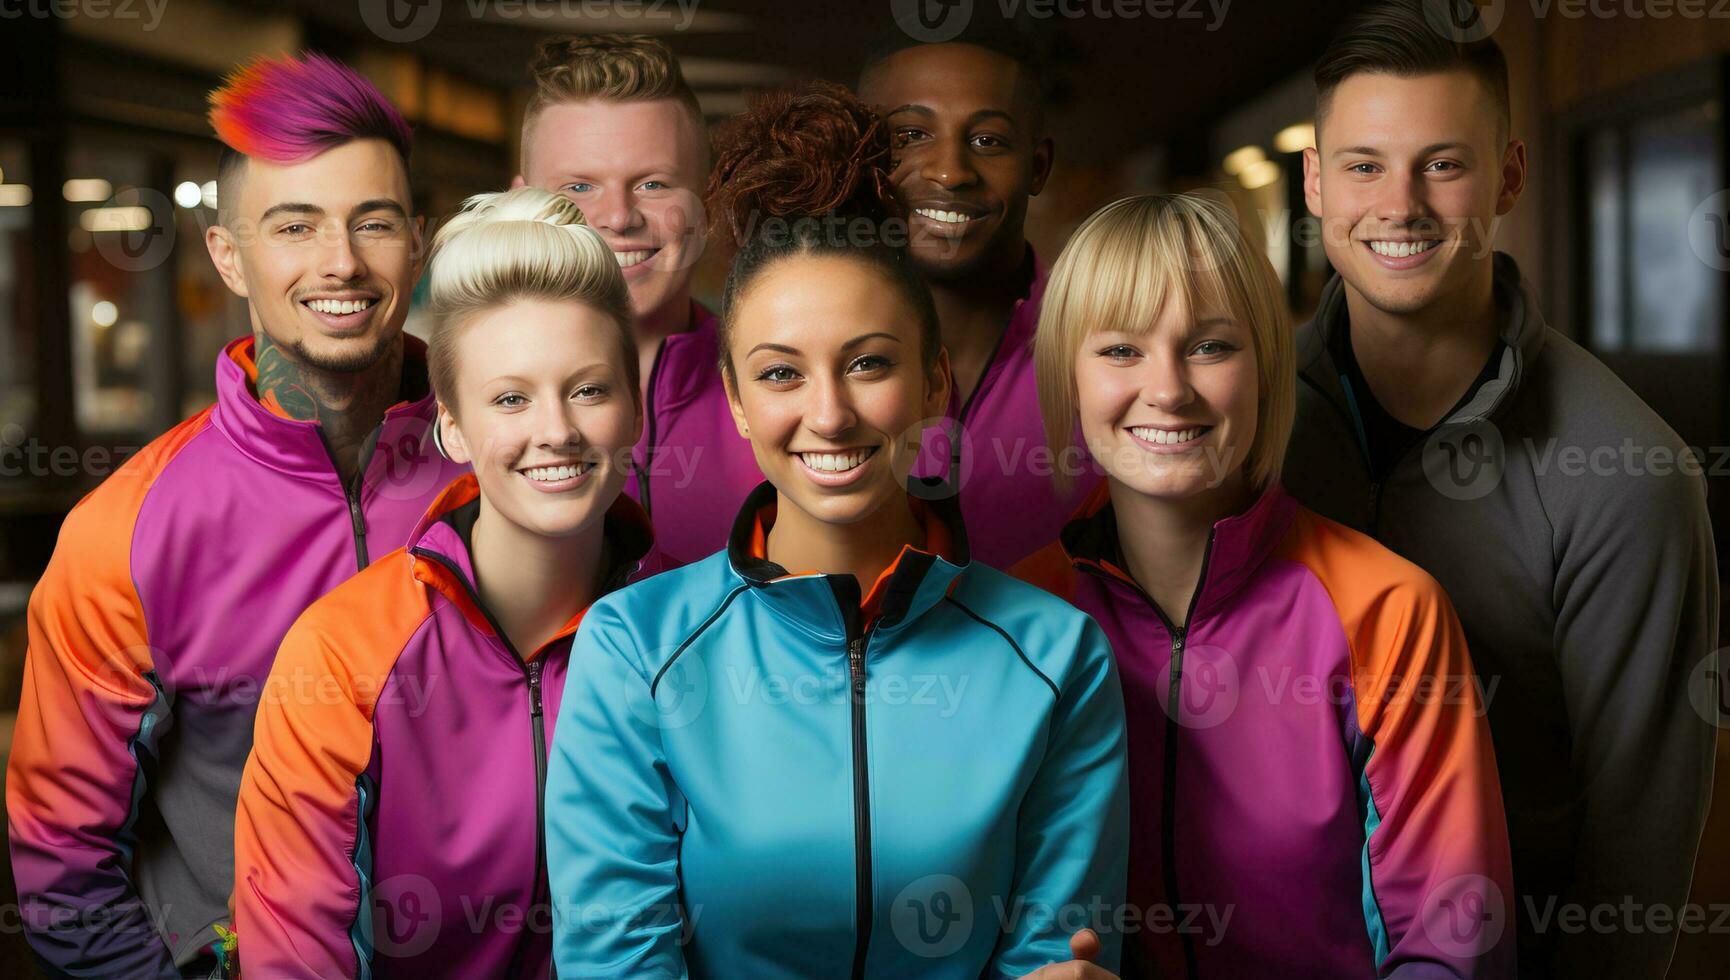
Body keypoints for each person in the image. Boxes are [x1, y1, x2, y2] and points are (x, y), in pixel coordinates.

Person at [544, 83, 1130, 978]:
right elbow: (617, 965)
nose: (829, 413)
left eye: (868, 364)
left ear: (933, 382)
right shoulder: (633, 651)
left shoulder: (1057, 655)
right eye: (780, 375)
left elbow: (1053, 953)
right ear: (736, 403)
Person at [5, 53, 468, 977]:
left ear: (418, 243)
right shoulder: (128, 530)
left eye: (372, 223)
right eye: (294, 226)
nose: (340, 262)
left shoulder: (509, 470)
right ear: (228, 255)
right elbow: (62, 871)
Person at [1284, 4, 1717, 976]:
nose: (1397, 204)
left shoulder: (1629, 476)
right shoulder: (1243, 427)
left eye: (1442, 164)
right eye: (1361, 165)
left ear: (1508, 176)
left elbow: (1633, 865)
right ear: (1313, 182)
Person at [1014, 192, 1516, 978]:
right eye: (1119, 350)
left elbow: (1451, 951)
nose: (1169, 389)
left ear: (1265, 367)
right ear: (1066, 376)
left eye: (1211, 347)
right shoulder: (1018, 619)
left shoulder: (1387, 611)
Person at [232, 187, 655, 978]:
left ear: (634, 409)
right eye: (510, 398)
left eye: (590, 389)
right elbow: (295, 956)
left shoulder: (700, 635)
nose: (556, 430)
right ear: (452, 427)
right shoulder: (342, 654)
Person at [515, 34, 762, 566]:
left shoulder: (785, 399)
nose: (619, 217)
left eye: (652, 185)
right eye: (579, 188)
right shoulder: (460, 416)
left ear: (708, 204)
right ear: (521, 205)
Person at [857, 29, 1099, 569]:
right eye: (912, 134)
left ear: (1037, 168)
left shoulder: (1112, 346)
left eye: (988, 141)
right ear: (862, 157)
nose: (950, 171)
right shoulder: (799, 362)